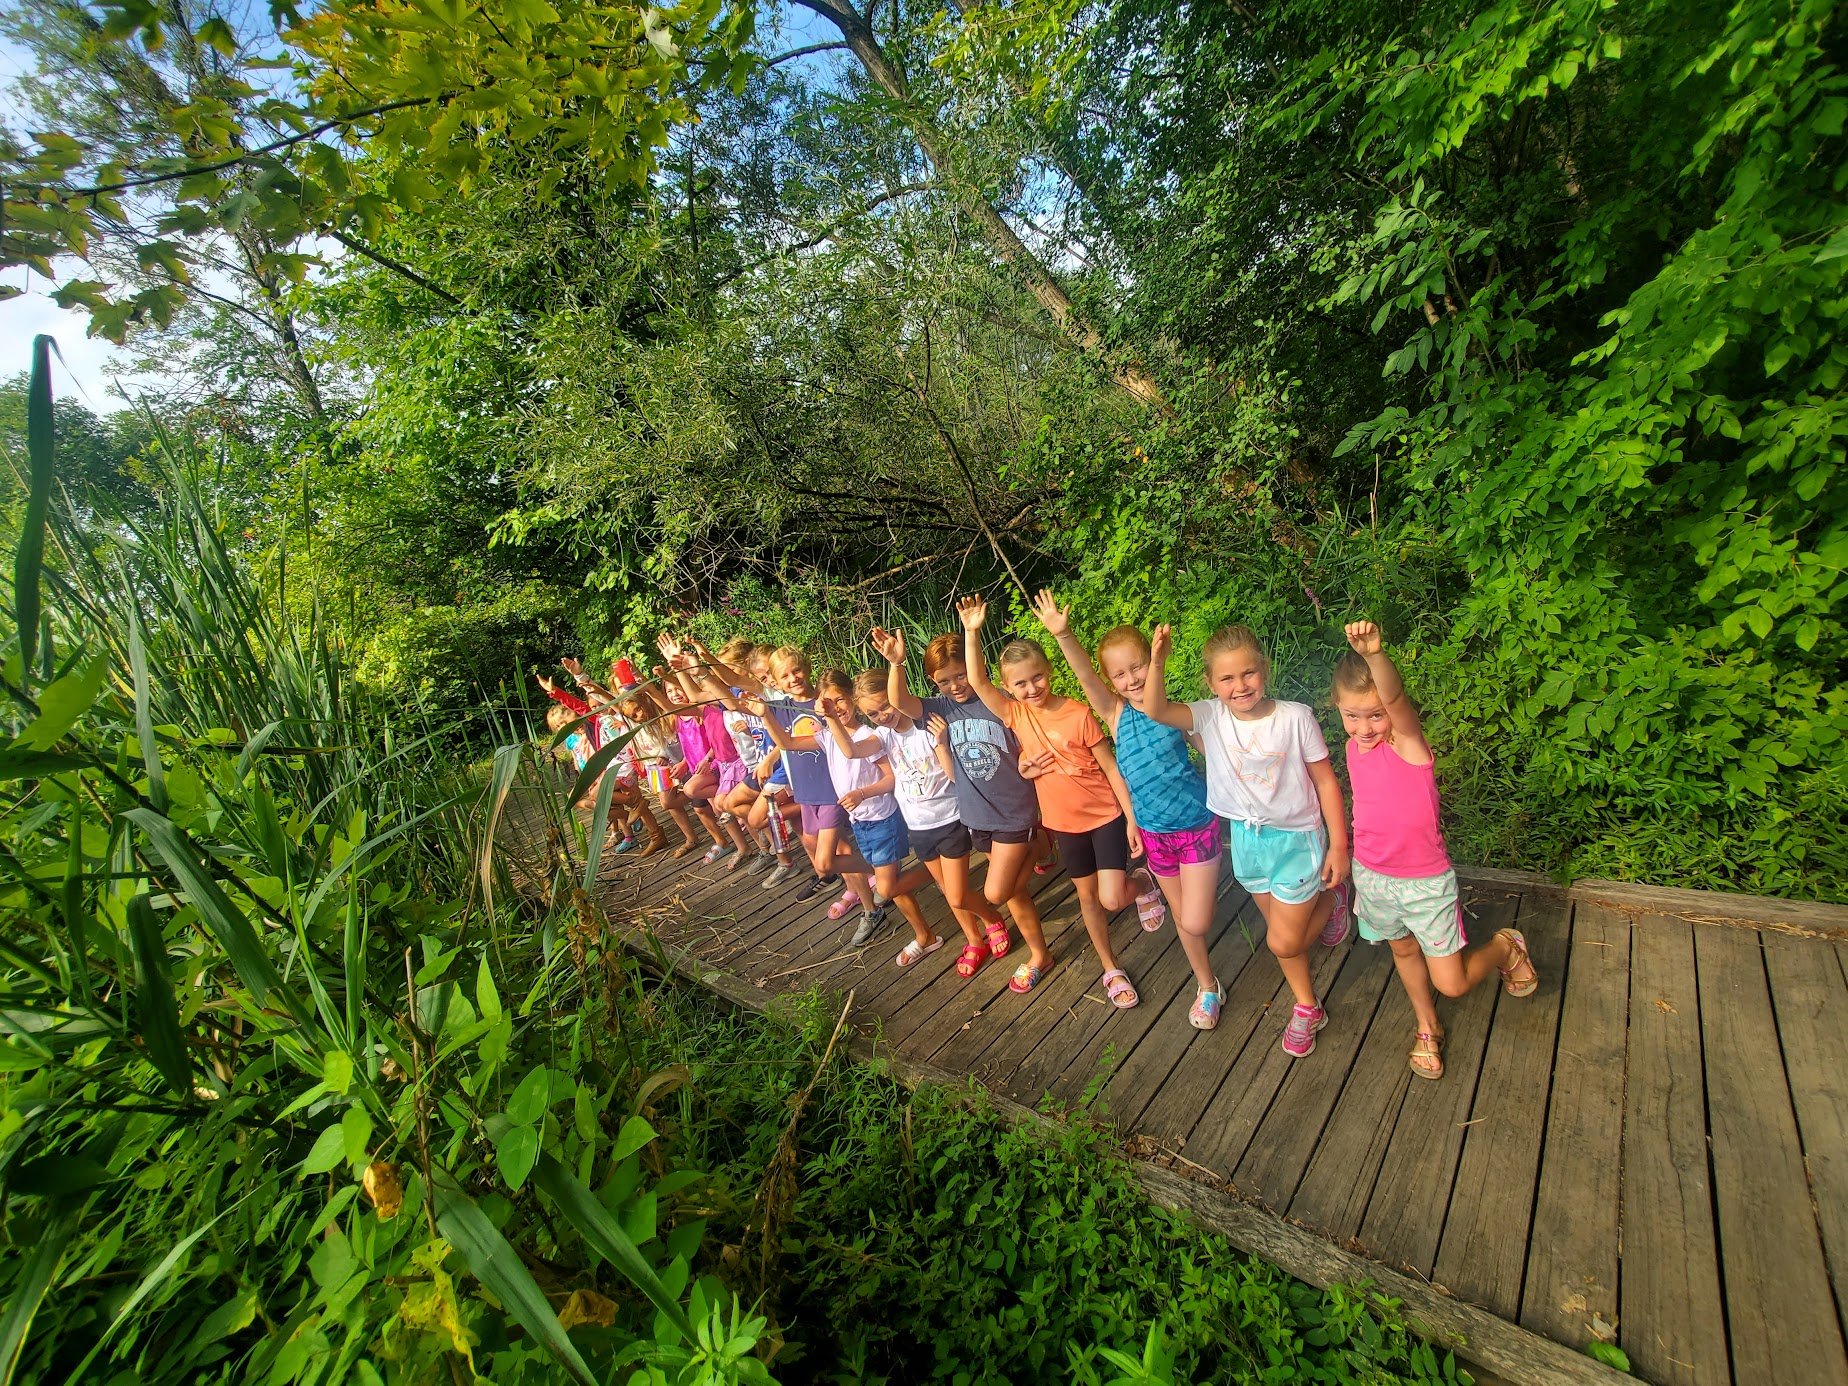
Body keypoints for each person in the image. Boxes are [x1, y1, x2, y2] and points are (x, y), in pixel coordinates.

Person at [1335, 621, 1536, 1079]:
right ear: (1339, 710)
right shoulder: (1352, 747)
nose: (1364, 728)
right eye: (1351, 715)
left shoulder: (1407, 745)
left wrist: (1375, 657)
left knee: (1455, 982)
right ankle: (1426, 1026)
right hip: (1373, 877)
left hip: (1424, 883)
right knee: (1403, 951)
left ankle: (1505, 948)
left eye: (1374, 715)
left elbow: (1398, 703)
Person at [1144, 622, 1352, 1058]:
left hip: (1297, 840)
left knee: (1282, 941)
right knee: (1282, 933)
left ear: (1265, 670)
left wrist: (1338, 845)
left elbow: (1327, 783)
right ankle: (1308, 1005)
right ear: (1210, 683)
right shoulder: (1209, 715)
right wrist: (1157, 661)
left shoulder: (1296, 717)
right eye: (1227, 678)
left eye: (1248, 674)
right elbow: (1157, 710)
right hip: (1245, 840)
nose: (1240, 686)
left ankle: (1332, 900)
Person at [953, 594, 1158, 1009]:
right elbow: (977, 683)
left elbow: (1112, 769)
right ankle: (1110, 967)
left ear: (1049, 672)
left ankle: (1144, 883)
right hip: (1064, 825)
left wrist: (1133, 820)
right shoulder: (1015, 714)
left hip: (1105, 817)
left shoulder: (1078, 712)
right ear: (1008, 687)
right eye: (1020, 683)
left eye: (1037, 678)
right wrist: (971, 633)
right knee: (1087, 899)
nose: (1032, 689)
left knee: (1112, 897)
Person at [1033, 591, 1226, 1028]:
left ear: (1154, 661)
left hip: (1196, 824)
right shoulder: (1118, 716)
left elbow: (1217, 755)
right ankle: (1207, 985)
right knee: (1182, 918)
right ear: (1111, 681)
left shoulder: (1176, 712)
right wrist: (1063, 635)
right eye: (1120, 674)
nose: (1132, 678)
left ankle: (1154, 896)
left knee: (1196, 919)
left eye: (1138, 666)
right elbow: (1085, 678)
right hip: (1156, 834)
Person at [874, 623, 1050, 990]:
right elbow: (899, 702)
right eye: (943, 681)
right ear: (934, 684)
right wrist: (896, 663)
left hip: (1013, 812)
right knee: (1015, 892)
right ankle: (1040, 954)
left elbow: (1032, 743)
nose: (955, 686)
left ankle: (1038, 842)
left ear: (975, 668)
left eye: (961, 675)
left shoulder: (998, 702)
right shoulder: (940, 710)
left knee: (995, 893)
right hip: (977, 819)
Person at [838, 670, 1011, 976]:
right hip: (917, 825)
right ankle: (974, 940)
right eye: (872, 714)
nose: (882, 716)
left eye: (885, 707)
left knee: (958, 893)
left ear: (895, 698)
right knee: (947, 890)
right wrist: (830, 720)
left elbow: (954, 775)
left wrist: (942, 742)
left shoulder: (927, 727)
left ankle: (991, 918)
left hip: (950, 819)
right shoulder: (882, 737)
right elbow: (851, 751)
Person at [737, 645, 882, 928]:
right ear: (775, 682)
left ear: (807, 668)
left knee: (827, 861)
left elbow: (844, 732)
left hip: (830, 789)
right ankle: (861, 895)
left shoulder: (822, 703)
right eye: (785, 676)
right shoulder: (781, 707)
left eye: (797, 670)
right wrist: (764, 715)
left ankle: (877, 879)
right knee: (831, 851)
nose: (793, 678)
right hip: (805, 790)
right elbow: (785, 742)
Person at [812, 674, 943, 959]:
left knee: (887, 885)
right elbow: (844, 750)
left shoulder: (876, 734)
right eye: (874, 711)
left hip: (885, 817)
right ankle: (925, 934)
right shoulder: (845, 735)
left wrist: (862, 793)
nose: (881, 715)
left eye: (840, 701)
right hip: (862, 822)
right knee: (892, 885)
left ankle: (940, 875)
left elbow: (887, 775)